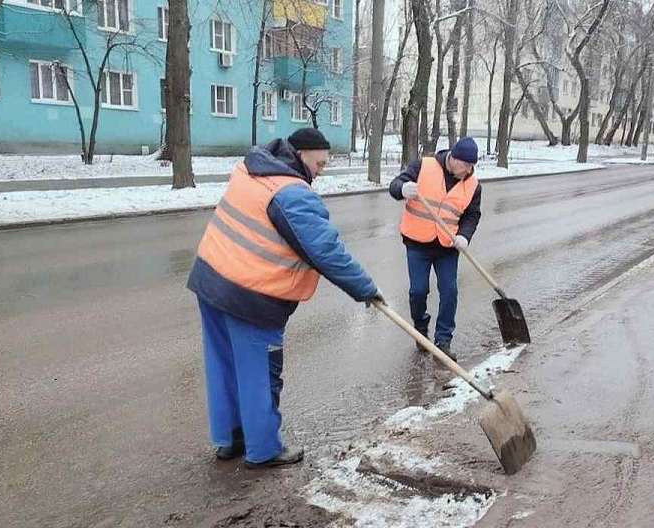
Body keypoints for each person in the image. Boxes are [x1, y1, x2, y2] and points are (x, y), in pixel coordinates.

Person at [187, 128, 383, 467]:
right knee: (259, 374)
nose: (321, 170)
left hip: (211, 281)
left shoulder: (253, 170)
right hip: (251, 297)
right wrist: (365, 288)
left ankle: (230, 438)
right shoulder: (292, 193)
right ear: (301, 154)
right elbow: (326, 251)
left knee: (224, 364)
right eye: (320, 163)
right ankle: (263, 450)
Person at [388, 137, 482, 361]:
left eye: (472, 167)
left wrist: (464, 236)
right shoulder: (423, 166)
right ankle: (420, 330)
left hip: (448, 247)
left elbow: (472, 215)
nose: (468, 171)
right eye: (466, 165)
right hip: (417, 243)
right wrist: (403, 188)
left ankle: (443, 340)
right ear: (454, 158)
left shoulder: (473, 185)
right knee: (418, 291)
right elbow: (394, 186)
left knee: (450, 292)